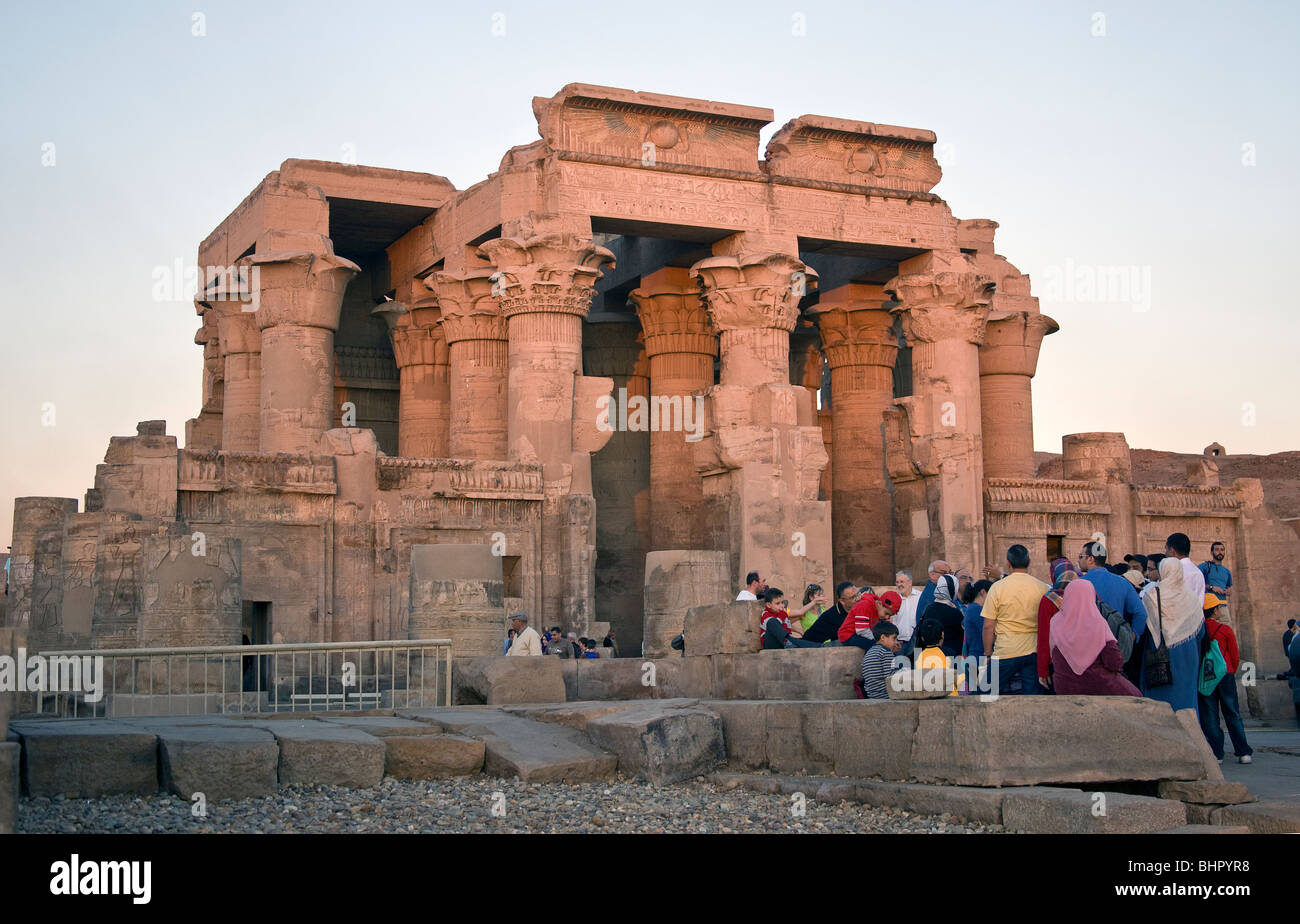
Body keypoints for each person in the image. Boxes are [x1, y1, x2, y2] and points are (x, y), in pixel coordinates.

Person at [1048, 580, 1141, 696]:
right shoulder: (1097, 623)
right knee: (1136, 696)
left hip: (1065, 686)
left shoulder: (1055, 622)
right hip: (1099, 685)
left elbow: (1054, 656)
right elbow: (1113, 662)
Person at [982, 544, 1049, 695]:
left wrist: (987, 653)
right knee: (1031, 699)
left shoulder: (998, 588)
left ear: (1008, 563)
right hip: (1033, 651)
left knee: (984, 695)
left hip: (1006, 650)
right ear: (1029, 561)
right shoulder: (1042, 588)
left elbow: (988, 626)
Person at [1140, 557, 1204, 711]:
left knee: (1160, 705)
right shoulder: (1192, 598)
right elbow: (1201, 632)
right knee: (1187, 700)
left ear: (1163, 571)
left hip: (1161, 654)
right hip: (1189, 654)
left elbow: (1145, 626)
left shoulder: (1152, 595)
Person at [1198, 593, 1252, 764]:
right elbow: (1235, 656)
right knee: (1233, 713)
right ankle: (1243, 752)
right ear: (1214, 611)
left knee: (1210, 715)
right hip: (1226, 674)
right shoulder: (1225, 630)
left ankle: (1217, 753)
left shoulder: (1199, 631)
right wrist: (1230, 671)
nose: (1220, 610)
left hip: (1207, 677)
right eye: (1219, 607)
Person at [1036, 561, 1078, 690]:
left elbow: (1044, 636)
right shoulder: (1087, 594)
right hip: (1085, 660)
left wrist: (1042, 670)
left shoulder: (1049, 599)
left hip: (1058, 662)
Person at [759, 587, 823, 649]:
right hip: (771, 643)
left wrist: (799, 631)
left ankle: (820, 645)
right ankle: (791, 642)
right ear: (768, 605)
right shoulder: (766, 614)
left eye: (782, 602)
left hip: (785, 641)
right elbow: (776, 627)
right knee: (772, 621)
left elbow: (787, 625)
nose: (782, 605)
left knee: (806, 641)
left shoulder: (782, 612)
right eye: (777, 603)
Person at [838, 590, 903, 650]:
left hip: (863, 633)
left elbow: (886, 631)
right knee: (875, 646)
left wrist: (893, 641)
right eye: (886, 613)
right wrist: (879, 641)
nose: (887, 617)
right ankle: (869, 662)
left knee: (884, 645)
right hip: (849, 635)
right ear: (879, 604)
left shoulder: (880, 611)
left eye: (890, 616)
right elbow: (861, 630)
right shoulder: (864, 606)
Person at [920, 574, 964, 657]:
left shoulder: (929, 608)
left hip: (931, 655)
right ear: (952, 589)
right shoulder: (954, 612)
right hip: (951, 656)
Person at [915, 617, 958, 696]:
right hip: (950, 697)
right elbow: (959, 678)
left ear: (922, 638)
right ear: (942, 634)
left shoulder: (918, 656)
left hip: (928, 699)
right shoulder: (949, 653)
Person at [860, 621, 902, 699]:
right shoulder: (886, 652)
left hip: (872, 696)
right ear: (883, 637)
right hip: (886, 695)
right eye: (894, 638)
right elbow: (891, 678)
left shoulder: (870, 651)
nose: (896, 642)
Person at [1165, 532, 1205, 602]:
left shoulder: (1174, 571)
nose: (1165, 553)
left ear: (1172, 551)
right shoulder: (1198, 572)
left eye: (1166, 549)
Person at [893, 570, 923, 657]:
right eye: (897, 582)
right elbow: (894, 622)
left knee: (917, 669)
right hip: (900, 645)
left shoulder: (920, 597)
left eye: (902, 582)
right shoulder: (895, 599)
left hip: (917, 643)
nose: (899, 585)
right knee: (901, 670)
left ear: (910, 582)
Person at [961, 579, 992, 659]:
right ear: (983, 592)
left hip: (975, 655)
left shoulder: (972, 608)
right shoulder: (977, 610)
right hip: (981, 656)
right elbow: (988, 631)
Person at [1199, 541, 1233, 606]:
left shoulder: (1227, 571)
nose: (1220, 552)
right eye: (1217, 550)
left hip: (1223, 605)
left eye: (1222, 550)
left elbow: (1229, 587)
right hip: (1209, 606)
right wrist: (1211, 587)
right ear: (1211, 552)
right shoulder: (1205, 566)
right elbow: (1197, 583)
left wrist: (1228, 591)